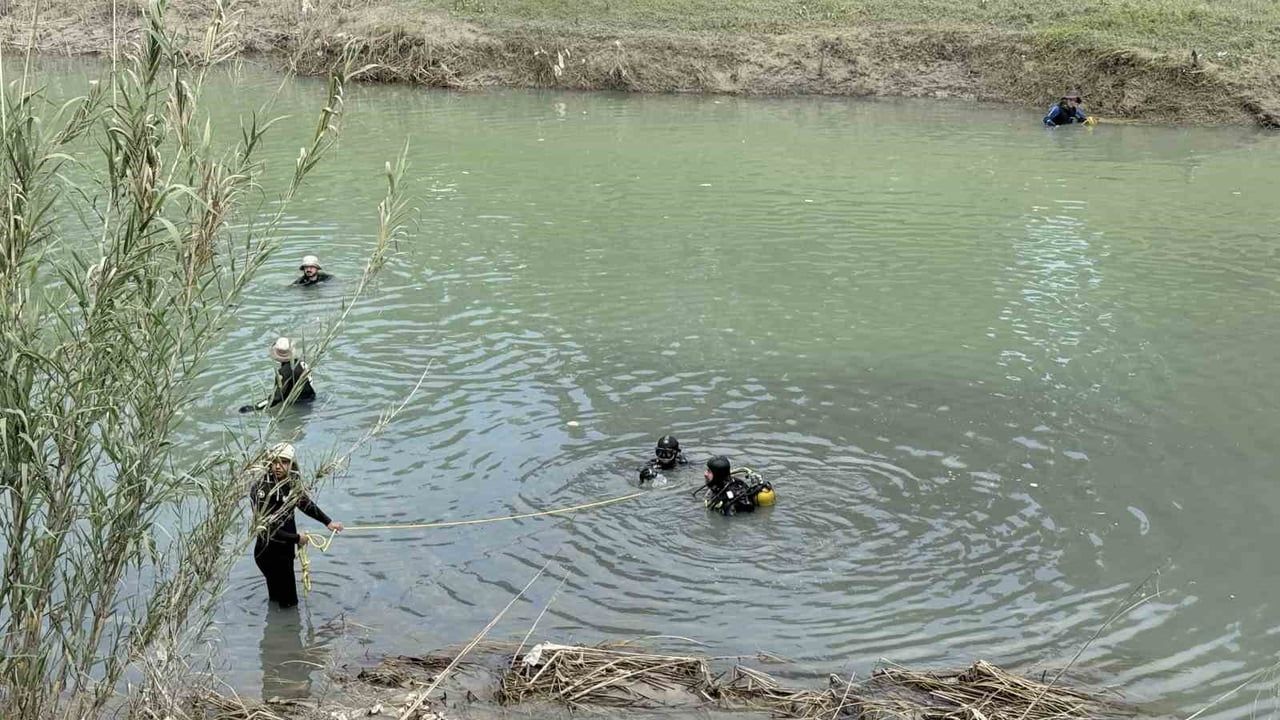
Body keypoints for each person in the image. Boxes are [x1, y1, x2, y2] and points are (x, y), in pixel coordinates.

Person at [250, 443, 343, 608]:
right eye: (275, 462)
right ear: (269, 463)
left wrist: (328, 522)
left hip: (284, 551)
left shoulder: (290, 483)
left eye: (284, 462)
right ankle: (289, 630)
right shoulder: (262, 489)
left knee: (277, 599)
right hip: (269, 553)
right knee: (290, 604)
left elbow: (305, 503)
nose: (278, 467)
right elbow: (266, 527)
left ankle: (275, 631)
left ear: (291, 464)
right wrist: (297, 538)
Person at [239, 337, 316, 413]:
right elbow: (310, 382)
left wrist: (254, 407)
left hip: (298, 404)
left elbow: (276, 398)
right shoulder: (302, 364)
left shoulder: (282, 373)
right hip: (311, 398)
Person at [698, 455, 774, 516]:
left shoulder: (728, 501)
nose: (705, 474)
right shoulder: (736, 482)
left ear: (718, 475)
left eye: (709, 471)